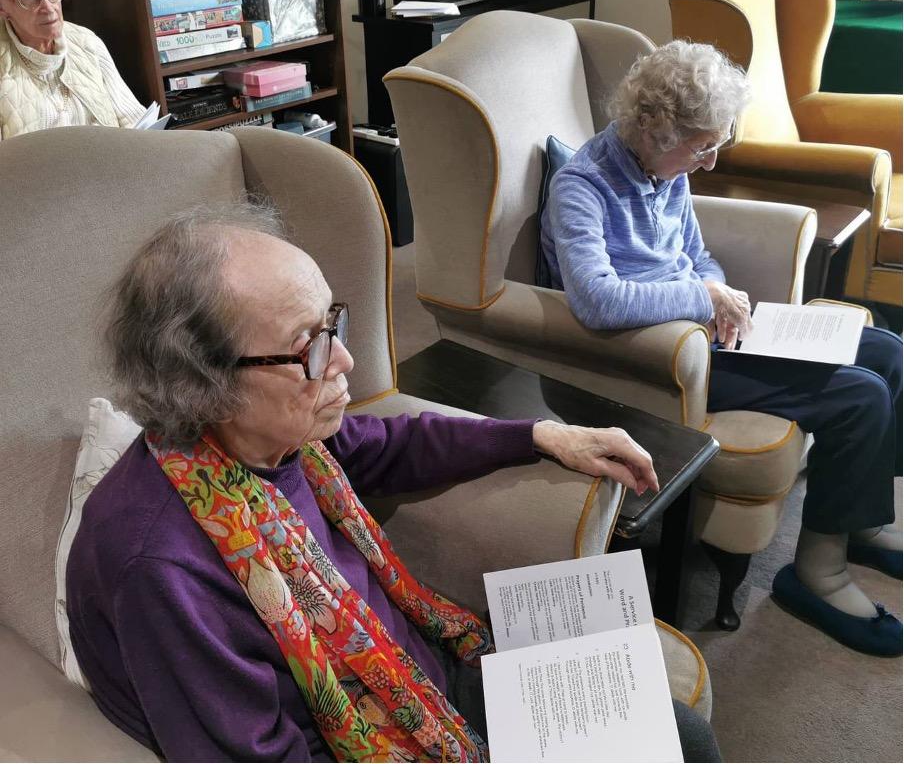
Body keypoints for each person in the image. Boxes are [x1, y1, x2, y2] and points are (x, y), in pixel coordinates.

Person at [66, 202, 721, 762]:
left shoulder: (280, 439)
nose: (346, 360)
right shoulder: (159, 568)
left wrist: (539, 436)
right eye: (309, 345)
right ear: (203, 381)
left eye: (333, 324)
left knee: (681, 737)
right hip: (365, 739)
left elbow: (394, 445)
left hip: (423, 674)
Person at [540, 39, 902, 657]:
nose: (710, 161)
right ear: (652, 129)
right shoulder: (583, 186)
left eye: (718, 142)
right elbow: (596, 301)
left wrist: (721, 291)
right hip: (663, 354)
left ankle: (859, 521)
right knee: (857, 397)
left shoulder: (665, 168)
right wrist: (704, 300)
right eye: (702, 145)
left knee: (890, 352)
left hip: (711, 329)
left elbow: (694, 256)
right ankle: (818, 572)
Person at [0, 0, 146, 140]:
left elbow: (134, 120)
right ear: (3, 8)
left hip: (110, 164)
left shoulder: (86, 42)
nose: (48, 7)